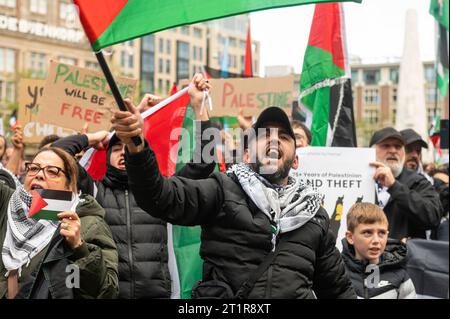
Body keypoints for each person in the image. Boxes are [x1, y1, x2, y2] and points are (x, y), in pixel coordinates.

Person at [113, 80, 356, 298]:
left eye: (283, 136)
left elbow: (336, 289)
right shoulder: (223, 189)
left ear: (295, 159)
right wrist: (137, 146)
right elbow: (160, 197)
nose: (274, 139)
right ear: (247, 154)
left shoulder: (314, 215)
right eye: (264, 134)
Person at [51, 75, 217, 299]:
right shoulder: (94, 192)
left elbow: (204, 163)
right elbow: (57, 155)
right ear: (107, 155)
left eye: (127, 146)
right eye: (116, 148)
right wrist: (93, 137)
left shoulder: (161, 192)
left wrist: (199, 107)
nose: (122, 152)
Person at [0, 147, 118, 299]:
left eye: (52, 171)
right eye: (34, 168)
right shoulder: (7, 204)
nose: (39, 175)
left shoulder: (88, 223)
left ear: (69, 185)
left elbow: (106, 291)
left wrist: (79, 248)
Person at [369, 127, 442, 240]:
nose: (393, 150)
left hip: (405, 256)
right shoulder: (358, 179)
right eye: (386, 145)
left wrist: (394, 187)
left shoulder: (418, 182)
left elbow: (433, 217)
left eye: (398, 146)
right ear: (371, 151)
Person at [341, 203, 416, 299]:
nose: (376, 240)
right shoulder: (336, 272)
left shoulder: (400, 275)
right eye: (367, 232)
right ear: (350, 237)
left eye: (382, 233)